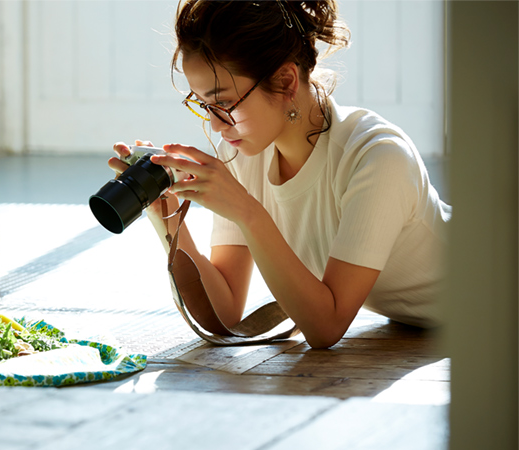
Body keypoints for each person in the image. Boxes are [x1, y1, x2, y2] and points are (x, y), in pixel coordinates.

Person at [108, 0, 451, 348]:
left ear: (285, 81)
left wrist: (246, 210)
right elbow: (225, 313)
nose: (213, 124)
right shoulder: (244, 155)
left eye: (223, 103)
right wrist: (166, 220)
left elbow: (326, 327)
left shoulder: (377, 156)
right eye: (203, 105)